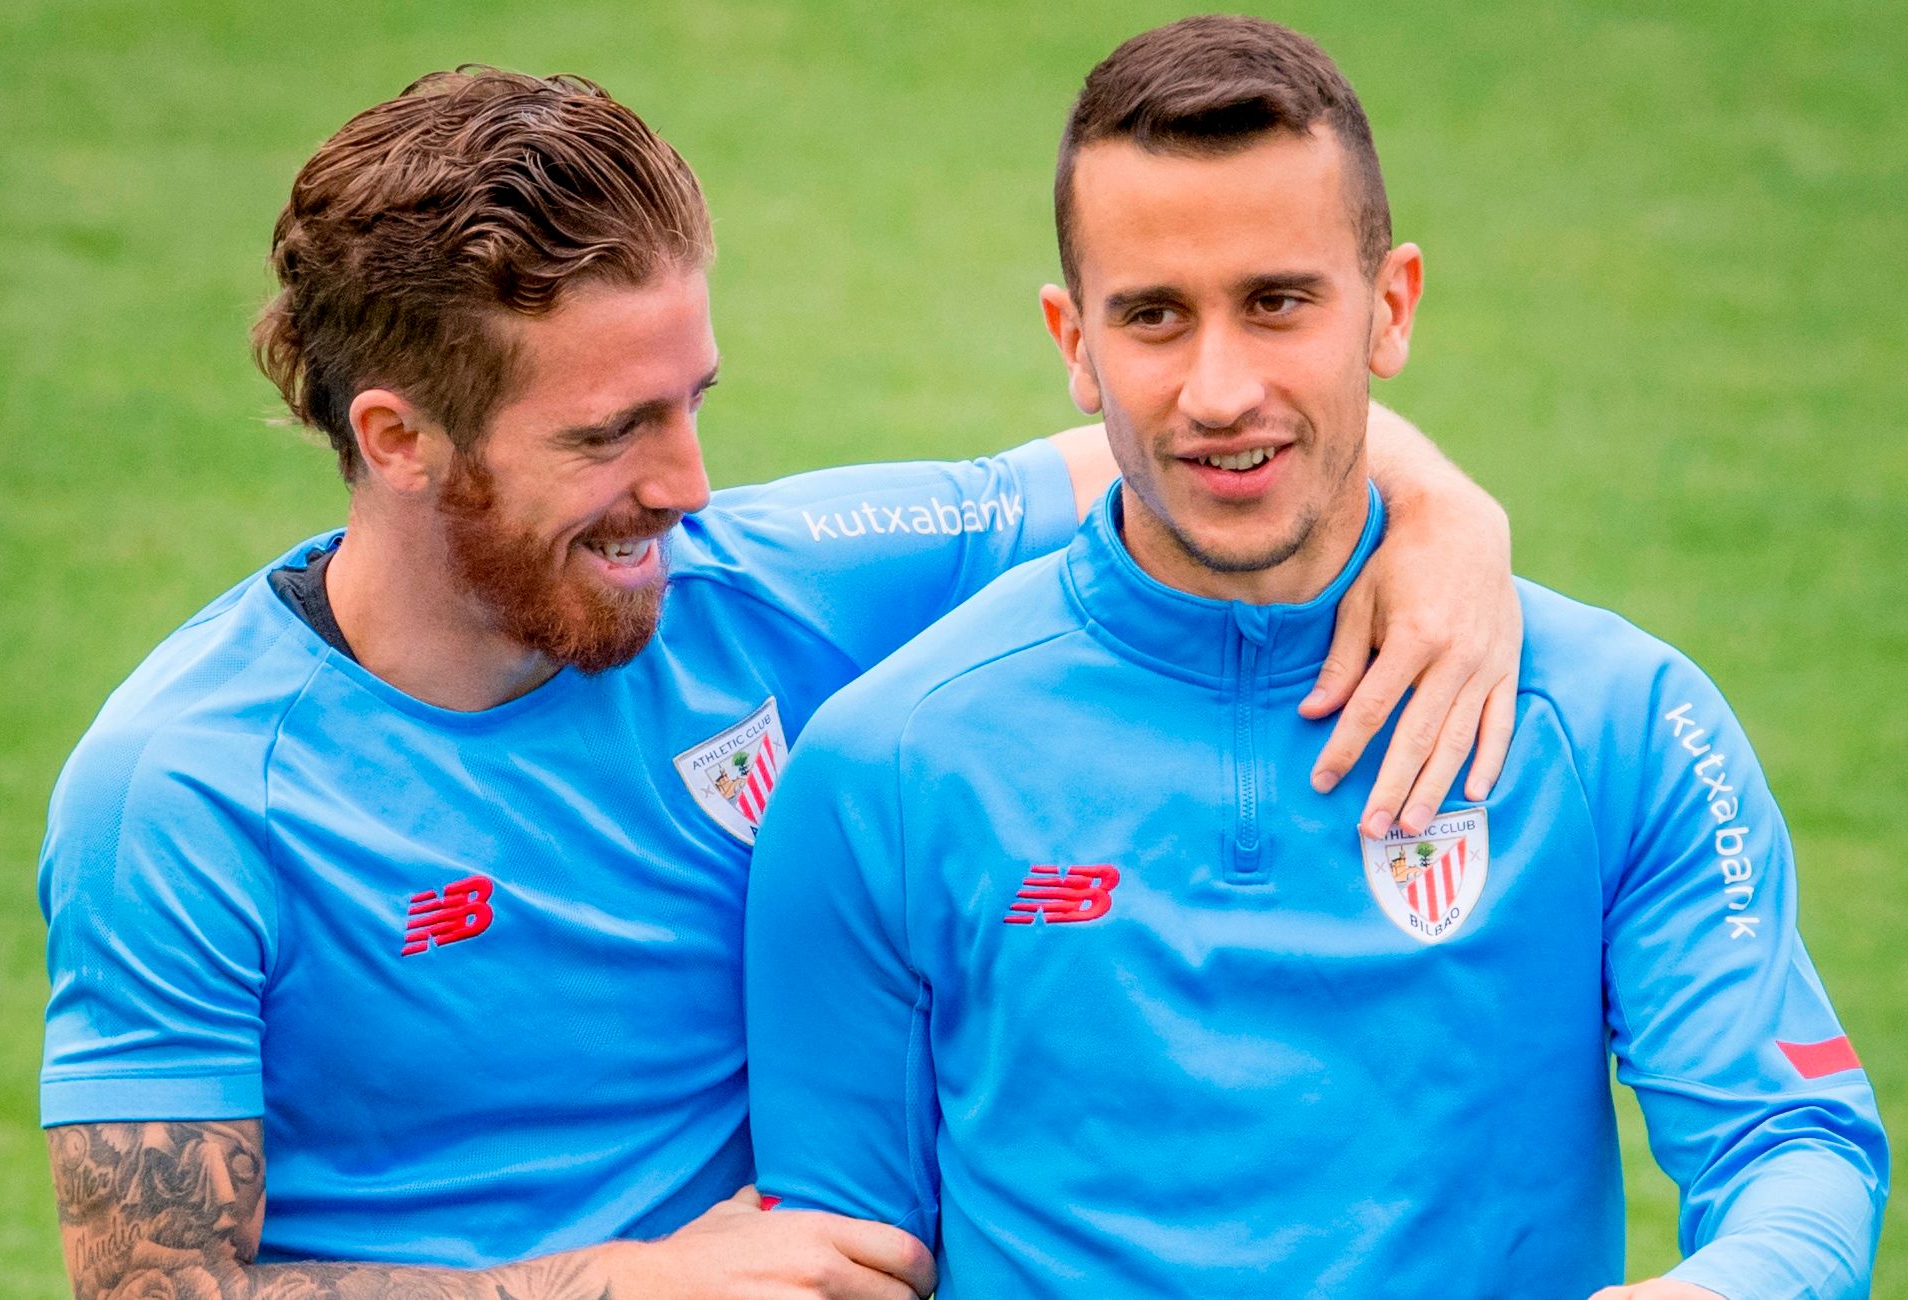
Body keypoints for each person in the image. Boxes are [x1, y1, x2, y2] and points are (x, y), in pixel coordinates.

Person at [35, 67, 1524, 1299]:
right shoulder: (183, 792)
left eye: (694, 404)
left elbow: (1183, 437)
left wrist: (1456, 522)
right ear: (403, 437)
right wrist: (620, 1285)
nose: (686, 488)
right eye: (608, 433)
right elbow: (158, 1292)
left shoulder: (759, 582)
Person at [743, 17, 1888, 1300]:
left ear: (1388, 308)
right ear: (1075, 343)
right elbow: (835, 1258)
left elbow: (1793, 1139)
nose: (1220, 388)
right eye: (1155, 317)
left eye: (1277, 303)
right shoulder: (885, 763)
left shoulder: (1620, 720)